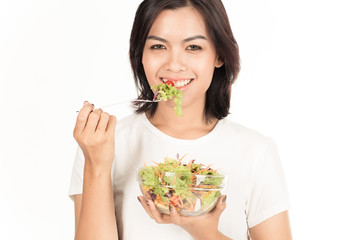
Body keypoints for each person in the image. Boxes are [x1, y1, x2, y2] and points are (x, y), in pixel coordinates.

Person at [69, 0, 292, 239]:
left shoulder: (256, 152)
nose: (174, 65)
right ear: (140, 55)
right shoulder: (102, 143)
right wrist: (97, 165)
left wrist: (204, 231)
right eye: (158, 46)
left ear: (219, 56)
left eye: (193, 47)